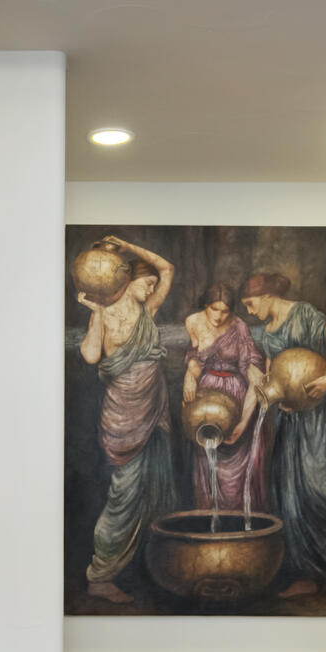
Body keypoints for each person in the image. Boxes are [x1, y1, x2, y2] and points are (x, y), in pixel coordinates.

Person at [75, 236, 178, 603]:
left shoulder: (147, 311)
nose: (151, 287)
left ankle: (148, 567)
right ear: (125, 281)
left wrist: (124, 245)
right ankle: (100, 576)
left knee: (150, 489)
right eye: (145, 282)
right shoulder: (105, 313)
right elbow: (90, 356)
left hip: (153, 410)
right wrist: (98, 312)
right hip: (124, 412)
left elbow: (167, 268)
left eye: (151, 284)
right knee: (123, 496)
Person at [239, 269, 326, 604]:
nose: (248, 309)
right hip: (290, 419)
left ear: (268, 295)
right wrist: (275, 393)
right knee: (289, 490)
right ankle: (305, 574)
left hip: (315, 415)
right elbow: (276, 370)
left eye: (250, 302)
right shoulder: (269, 328)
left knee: (322, 487)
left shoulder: (303, 313)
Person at [180, 286, 267, 515]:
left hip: (236, 397)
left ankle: (237, 522)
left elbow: (255, 377)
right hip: (205, 396)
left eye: (225, 311)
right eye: (214, 309)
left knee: (235, 464)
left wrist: (242, 422)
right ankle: (210, 524)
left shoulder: (239, 328)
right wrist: (189, 377)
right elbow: (196, 359)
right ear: (205, 306)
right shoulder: (193, 322)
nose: (219, 316)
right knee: (207, 461)